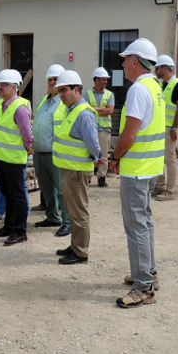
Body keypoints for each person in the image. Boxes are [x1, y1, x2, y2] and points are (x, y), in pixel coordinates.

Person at [109, 38, 164, 308]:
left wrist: (115, 156)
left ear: (134, 61)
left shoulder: (138, 90)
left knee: (136, 226)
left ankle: (143, 286)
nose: (122, 63)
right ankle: (148, 273)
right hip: (150, 167)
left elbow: (129, 134)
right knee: (145, 221)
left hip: (137, 169)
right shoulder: (155, 87)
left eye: (125, 59)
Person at [53, 70, 103, 265]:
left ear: (76, 89)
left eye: (64, 90)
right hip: (69, 169)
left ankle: (81, 252)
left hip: (77, 171)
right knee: (72, 210)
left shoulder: (84, 114)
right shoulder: (72, 110)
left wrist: (97, 158)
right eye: (59, 91)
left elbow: (93, 143)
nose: (61, 95)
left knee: (79, 212)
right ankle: (74, 245)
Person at [0, 69, 33, 246]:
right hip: (1, 158)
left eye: (4, 84)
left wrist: (28, 147)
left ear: (14, 87)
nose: (0, 87)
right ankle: (9, 226)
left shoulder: (20, 108)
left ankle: (20, 230)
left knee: (17, 195)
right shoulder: (1, 106)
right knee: (7, 193)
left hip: (14, 160)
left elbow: (28, 135)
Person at [32, 64, 71, 236]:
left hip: (55, 153)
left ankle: (68, 222)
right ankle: (52, 217)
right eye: (50, 79)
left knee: (61, 190)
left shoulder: (64, 103)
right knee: (46, 188)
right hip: (40, 152)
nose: (52, 82)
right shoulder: (43, 100)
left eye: (56, 80)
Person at [152, 55, 178, 201]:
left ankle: (170, 191)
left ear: (164, 68)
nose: (155, 71)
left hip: (170, 128)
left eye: (157, 68)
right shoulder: (162, 85)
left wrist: (174, 128)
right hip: (161, 127)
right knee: (159, 158)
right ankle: (160, 187)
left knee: (169, 159)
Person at [86, 67, 114, 188]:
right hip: (90, 128)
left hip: (104, 129)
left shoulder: (109, 94)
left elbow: (110, 110)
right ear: (96, 80)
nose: (105, 82)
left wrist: (93, 110)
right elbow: (85, 109)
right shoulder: (87, 94)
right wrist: (102, 108)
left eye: (106, 80)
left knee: (103, 154)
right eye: (103, 80)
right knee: (89, 153)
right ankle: (88, 176)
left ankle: (101, 177)